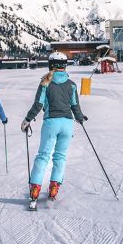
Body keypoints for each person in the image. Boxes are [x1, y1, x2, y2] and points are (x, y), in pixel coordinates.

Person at [20, 51, 86, 206]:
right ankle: (54, 189)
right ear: (64, 65)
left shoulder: (45, 82)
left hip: (51, 123)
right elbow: (75, 106)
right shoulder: (72, 84)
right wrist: (81, 118)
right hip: (67, 124)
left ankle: (35, 189)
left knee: (43, 156)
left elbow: (38, 105)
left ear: (51, 64)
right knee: (60, 157)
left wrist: (27, 120)